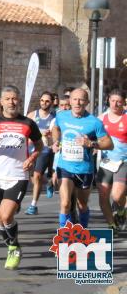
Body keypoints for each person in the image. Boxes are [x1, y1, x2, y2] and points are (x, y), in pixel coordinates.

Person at [0, 85, 43, 270]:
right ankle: (11, 246)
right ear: (1, 102)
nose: (11, 102)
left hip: (18, 175)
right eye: (8, 99)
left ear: (19, 101)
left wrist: (32, 158)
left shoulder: (28, 123)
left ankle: (14, 247)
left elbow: (40, 145)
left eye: (14, 99)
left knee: (6, 216)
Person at [51, 88, 113, 228]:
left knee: (82, 204)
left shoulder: (94, 122)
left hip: (85, 169)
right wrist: (56, 141)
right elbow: (56, 128)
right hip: (65, 166)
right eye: (74, 99)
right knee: (65, 203)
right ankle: (64, 234)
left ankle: (82, 230)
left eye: (81, 100)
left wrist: (91, 143)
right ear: (70, 101)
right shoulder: (61, 116)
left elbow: (109, 144)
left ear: (87, 102)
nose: (77, 103)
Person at [97, 89, 127, 234]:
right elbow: (91, 135)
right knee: (103, 196)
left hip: (124, 161)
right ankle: (112, 224)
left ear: (123, 103)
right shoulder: (101, 118)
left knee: (116, 195)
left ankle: (121, 210)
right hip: (106, 162)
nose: (115, 104)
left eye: (119, 101)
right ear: (108, 100)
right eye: (113, 100)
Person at [25, 91, 56, 215]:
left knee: (37, 176)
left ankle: (33, 205)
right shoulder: (32, 115)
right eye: (42, 100)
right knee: (33, 178)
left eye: (47, 101)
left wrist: (49, 136)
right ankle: (48, 182)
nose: (44, 103)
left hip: (45, 150)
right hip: (31, 149)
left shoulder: (54, 119)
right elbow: (25, 132)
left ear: (52, 102)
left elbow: (55, 138)